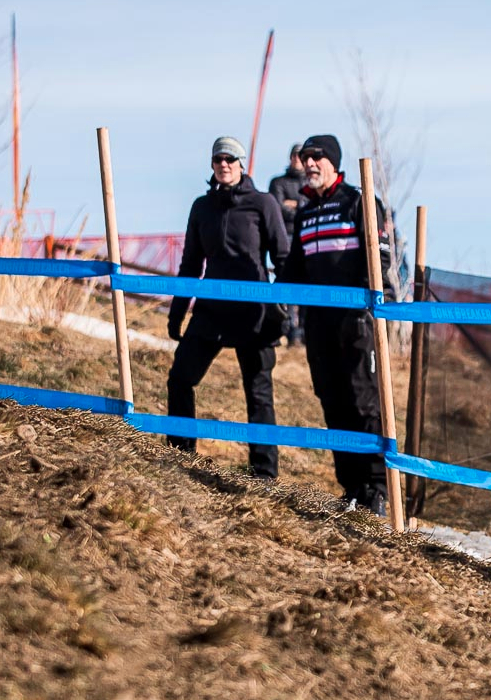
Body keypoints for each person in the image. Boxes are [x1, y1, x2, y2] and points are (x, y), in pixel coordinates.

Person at [279, 134, 395, 514]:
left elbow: (380, 259)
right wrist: (272, 299)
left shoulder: (358, 202)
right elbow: (295, 266)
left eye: (317, 158)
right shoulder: (307, 212)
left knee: (363, 399)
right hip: (318, 322)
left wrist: (375, 304)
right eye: (306, 158)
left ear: (334, 163)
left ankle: (378, 488)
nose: (309, 164)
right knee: (331, 399)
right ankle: (353, 486)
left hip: (355, 320)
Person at [166, 136, 290, 480]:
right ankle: (180, 455)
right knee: (180, 379)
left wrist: (282, 310)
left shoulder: (262, 204)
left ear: (242, 164)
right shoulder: (201, 208)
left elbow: (283, 259)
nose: (224, 164)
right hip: (211, 311)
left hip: (255, 314)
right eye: (219, 159)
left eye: (231, 159)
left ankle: (264, 474)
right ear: (212, 165)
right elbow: (191, 264)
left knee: (258, 391)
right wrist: (177, 313)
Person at [268, 144, 308, 346]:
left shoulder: (312, 182)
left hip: (308, 239)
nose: (299, 159)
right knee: (288, 283)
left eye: (302, 156)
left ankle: (305, 330)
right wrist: (303, 207)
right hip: (286, 238)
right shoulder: (279, 183)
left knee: (309, 284)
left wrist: (295, 205)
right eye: (295, 155)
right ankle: (290, 330)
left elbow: (313, 209)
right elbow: (276, 210)